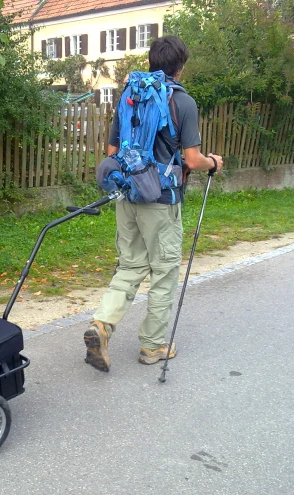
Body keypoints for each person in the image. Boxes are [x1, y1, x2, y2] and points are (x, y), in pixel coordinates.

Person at [84, 35, 223, 372]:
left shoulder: (129, 96)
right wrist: (214, 162)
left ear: (151, 62)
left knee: (130, 267)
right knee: (163, 273)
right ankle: (153, 346)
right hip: (160, 201)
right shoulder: (183, 103)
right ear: (181, 66)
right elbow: (191, 159)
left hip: (127, 196)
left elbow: (111, 154)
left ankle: (101, 325)